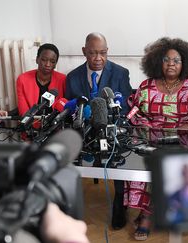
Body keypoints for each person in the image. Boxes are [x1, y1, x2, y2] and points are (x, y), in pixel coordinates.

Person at [125, 37, 188, 240]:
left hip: (183, 143)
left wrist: (186, 129)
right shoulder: (147, 86)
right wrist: (144, 127)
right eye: (166, 59)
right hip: (150, 139)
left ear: (185, 63)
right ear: (157, 61)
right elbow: (134, 111)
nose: (171, 64)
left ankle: (148, 216)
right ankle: (149, 211)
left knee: (165, 165)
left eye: (176, 60)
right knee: (141, 163)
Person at [65, 32, 132, 230]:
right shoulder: (73, 77)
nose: (98, 58)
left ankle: (120, 202)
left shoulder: (120, 73)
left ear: (107, 52)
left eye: (103, 53)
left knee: (119, 157)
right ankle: (71, 204)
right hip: (84, 131)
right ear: (84, 52)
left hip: (113, 128)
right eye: (93, 53)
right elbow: (71, 109)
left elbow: (126, 108)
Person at [16, 43, 66, 116]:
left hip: (55, 124)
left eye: (52, 61)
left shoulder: (62, 79)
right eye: (44, 60)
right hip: (30, 123)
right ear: (37, 59)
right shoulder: (23, 79)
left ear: (55, 64)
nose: (48, 64)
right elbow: (23, 112)